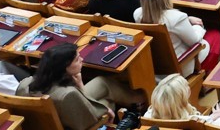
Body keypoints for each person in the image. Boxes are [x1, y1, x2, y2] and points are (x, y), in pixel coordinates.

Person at [17, 43, 145, 130]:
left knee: (101, 82)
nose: (82, 59)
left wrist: (79, 84)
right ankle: (142, 102)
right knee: (107, 101)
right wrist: (106, 110)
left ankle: (139, 100)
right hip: (73, 124)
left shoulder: (25, 84)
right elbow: (87, 122)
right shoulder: (68, 95)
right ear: (65, 67)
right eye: (77, 59)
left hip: (51, 120)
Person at [135, 0, 219, 75]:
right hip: (180, 64)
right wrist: (198, 26)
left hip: (155, 65)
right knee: (215, 35)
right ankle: (207, 77)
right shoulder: (177, 18)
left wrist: (188, 19)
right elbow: (194, 41)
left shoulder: (137, 14)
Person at [145, 73, 220, 122]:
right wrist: (214, 117)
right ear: (181, 100)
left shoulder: (147, 117)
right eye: (186, 87)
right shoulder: (193, 121)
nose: (188, 88)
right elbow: (206, 122)